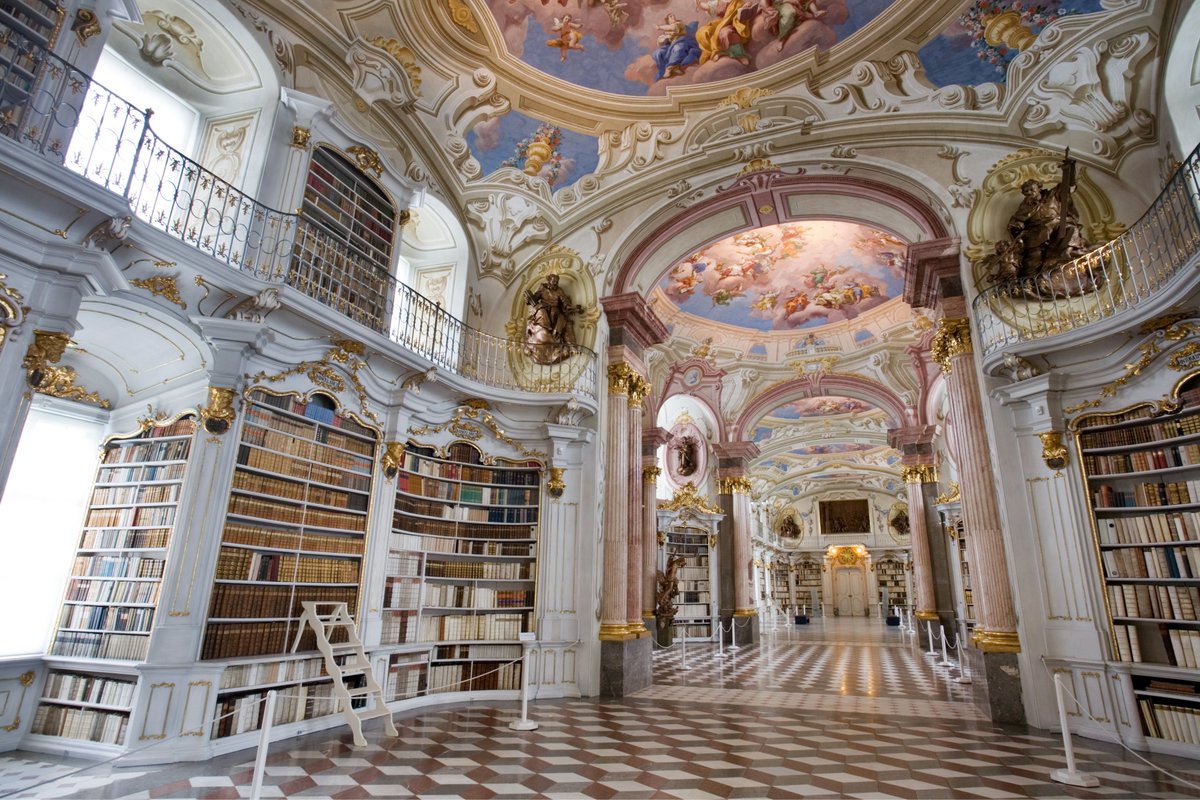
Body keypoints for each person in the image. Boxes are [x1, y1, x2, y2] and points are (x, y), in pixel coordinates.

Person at [523, 273, 583, 364]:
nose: (555, 284)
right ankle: (546, 330)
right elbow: (535, 297)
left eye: (556, 282)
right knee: (542, 312)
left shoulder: (559, 291)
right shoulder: (542, 288)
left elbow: (565, 302)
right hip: (542, 307)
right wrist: (528, 298)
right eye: (553, 282)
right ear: (549, 280)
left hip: (555, 311)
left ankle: (571, 346)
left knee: (563, 320)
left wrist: (573, 308)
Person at [653, 14, 701, 79]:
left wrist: (659, 27)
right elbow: (660, 42)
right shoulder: (666, 31)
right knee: (659, 52)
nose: (673, 17)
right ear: (668, 21)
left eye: (673, 15)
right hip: (671, 46)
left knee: (678, 47)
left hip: (683, 41)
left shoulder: (679, 24)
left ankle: (669, 68)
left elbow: (673, 27)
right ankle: (673, 68)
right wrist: (665, 38)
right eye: (670, 16)